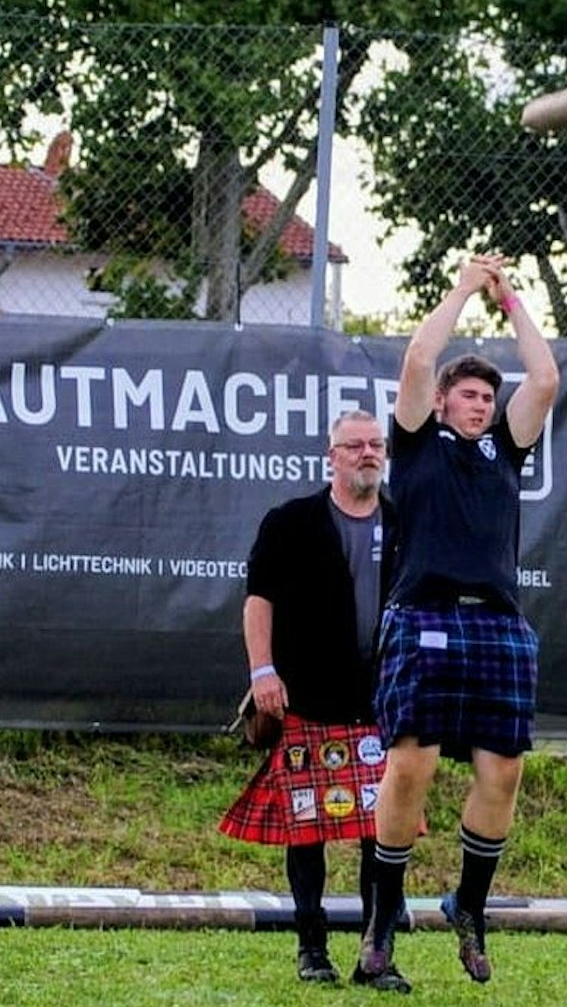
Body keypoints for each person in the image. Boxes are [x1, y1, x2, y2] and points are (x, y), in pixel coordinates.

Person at [354, 254, 559, 991]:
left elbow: (545, 380)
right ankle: (381, 923)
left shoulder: (506, 448)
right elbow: (417, 355)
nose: (479, 404)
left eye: (485, 397)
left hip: (497, 625)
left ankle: (467, 908)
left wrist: (508, 300)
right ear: (442, 402)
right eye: (468, 395)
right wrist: (464, 288)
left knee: (502, 771)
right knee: (412, 765)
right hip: (423, 616)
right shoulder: (412, 443)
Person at [219, 410, 401, 984]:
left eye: (375, 445)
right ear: (331, 456)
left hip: (380, 702)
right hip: (306, 697)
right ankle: (311, 948)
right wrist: (262, 670)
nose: (366, 453)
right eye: (354, 446)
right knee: (306, 830)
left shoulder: (405, 522)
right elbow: (259, 600)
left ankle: (377, 956)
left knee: (383, 833)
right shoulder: (291, 522)